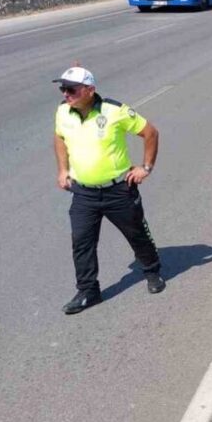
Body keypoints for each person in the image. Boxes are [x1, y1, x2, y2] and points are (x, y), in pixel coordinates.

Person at [52, 67, 164, 315]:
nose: (65, 94)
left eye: (70, 89)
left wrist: (146, 167)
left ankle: (152, 271)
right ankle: (88, 291)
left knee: (136, 233)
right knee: (81, 242)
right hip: (83, 193)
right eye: (63, 89)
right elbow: (59, 137)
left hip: (119, 191)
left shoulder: (114, 111)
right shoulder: (63, 111)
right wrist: (63, 170)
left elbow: (150, 132)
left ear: (90, 90)